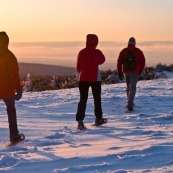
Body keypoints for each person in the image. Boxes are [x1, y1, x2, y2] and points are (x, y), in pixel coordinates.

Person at [76, 34, 107, 130]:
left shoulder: (81, 52)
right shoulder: (97, 52)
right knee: (97, 99)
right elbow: (102, 60)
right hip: (95, 79)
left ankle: (80, 122)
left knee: (83, 100)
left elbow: (78, 67)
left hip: (83, 79)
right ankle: (98, 118)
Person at [0, 31, 23, 142]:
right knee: (11, 111)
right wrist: (18, 89)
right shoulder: (10, 57)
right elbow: (14, 75)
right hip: (7, 90)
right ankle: (14, 135)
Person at [117, 37, 145, 111]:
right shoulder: (138, 51)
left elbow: (119, 61)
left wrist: (119, 71)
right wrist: (140, 71)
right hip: (135, 72)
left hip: (126, 71)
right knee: (133, 87)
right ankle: (130, 103)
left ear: (128, 43)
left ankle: (129, 102)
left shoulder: (124, 51)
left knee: (128, 86)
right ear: (134, 43)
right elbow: (143, 62)